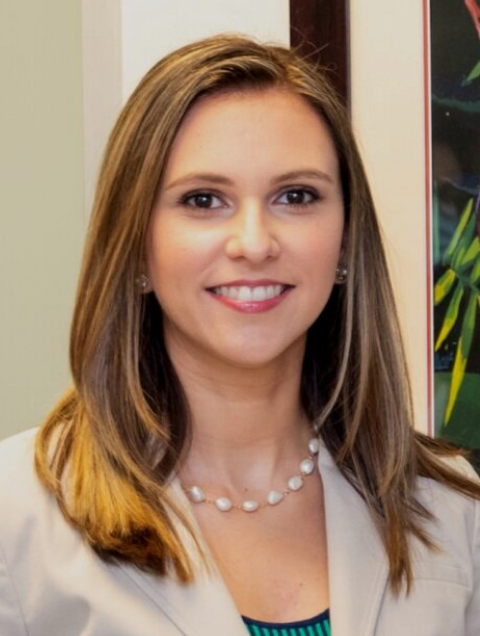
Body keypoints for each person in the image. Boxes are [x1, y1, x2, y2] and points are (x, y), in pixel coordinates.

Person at [0, 34, 479, 636]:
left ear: (345, 239)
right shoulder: (15, 516)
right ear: (136, 247)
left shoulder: (453, 510)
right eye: (203, 200)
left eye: (296, 196)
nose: (254, 243)